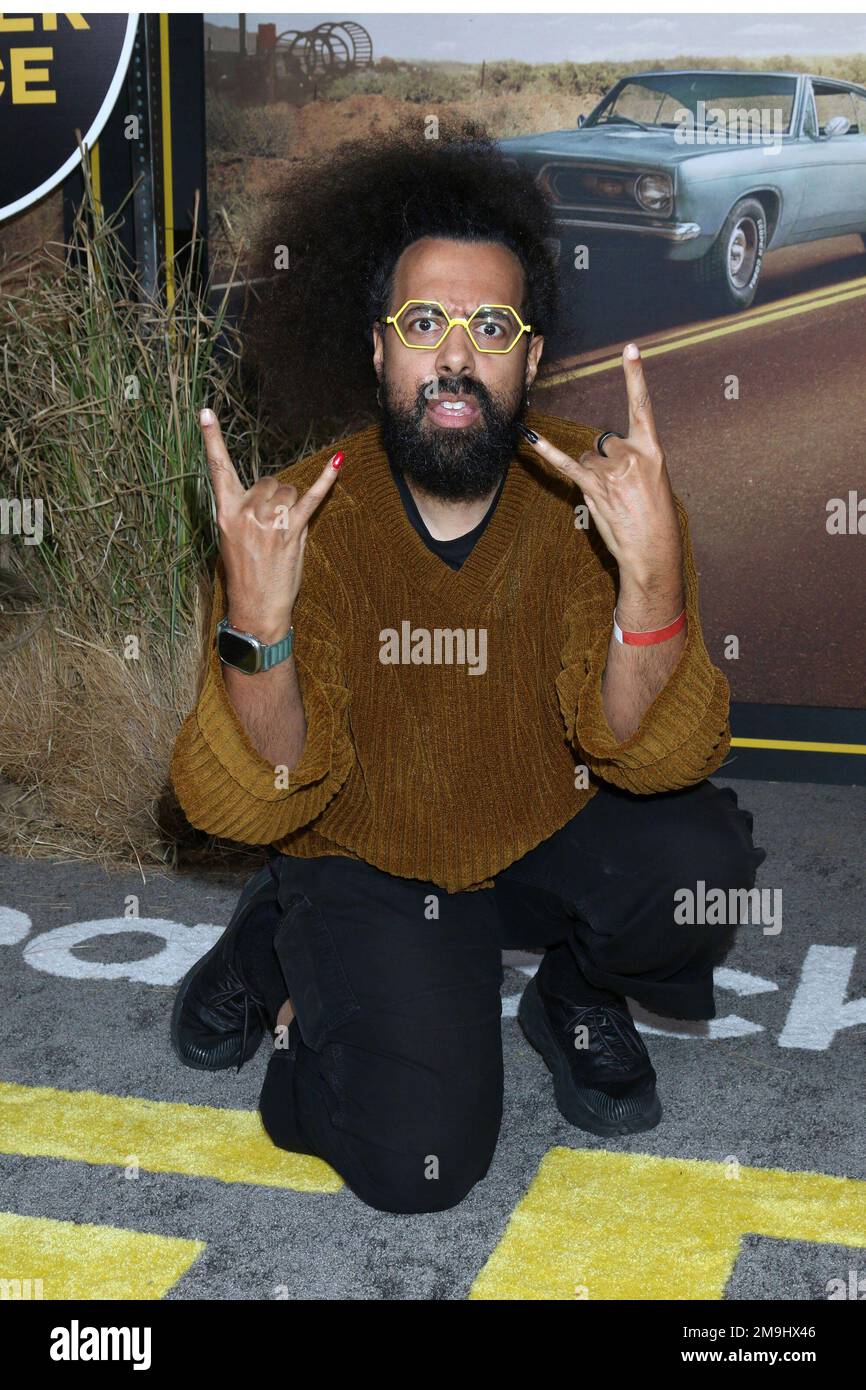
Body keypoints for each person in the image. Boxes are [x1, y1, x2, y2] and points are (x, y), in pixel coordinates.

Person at [168, 123, 766, 1215]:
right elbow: (255, 788)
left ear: (530, 357)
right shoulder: (300, 517)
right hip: (371, 839)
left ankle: (573, 998)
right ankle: (284, 942)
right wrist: (258, 617)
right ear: (378, 349)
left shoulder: (602, 496)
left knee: (696, 858)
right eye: (424, 324)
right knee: (415, 1168)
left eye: (489, 326)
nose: (454, 356)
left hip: (536, 815)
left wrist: (651, 588)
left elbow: (643, 751)